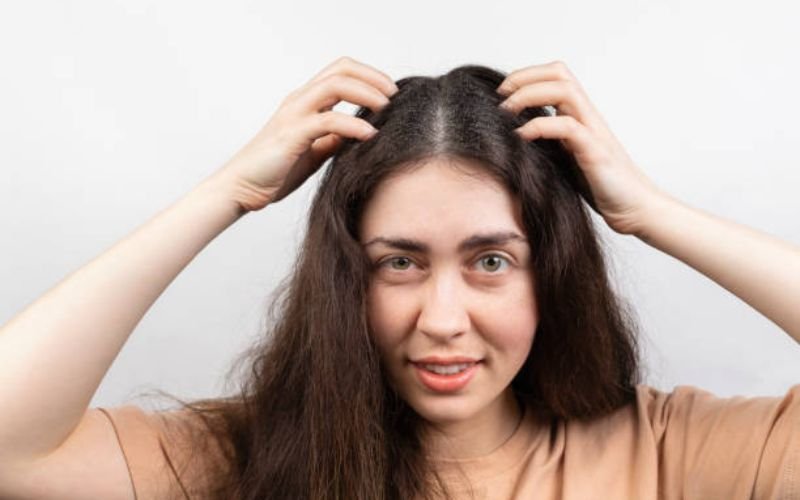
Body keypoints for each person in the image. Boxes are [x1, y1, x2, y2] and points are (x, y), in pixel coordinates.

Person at [0, 56, 797, 500]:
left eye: (491, 261)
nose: (443, 318)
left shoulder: (669, 451)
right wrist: (225, 195)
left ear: (549, 273)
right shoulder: (237, 456)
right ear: (345, 276)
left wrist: (653, 214)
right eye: (399, 262)